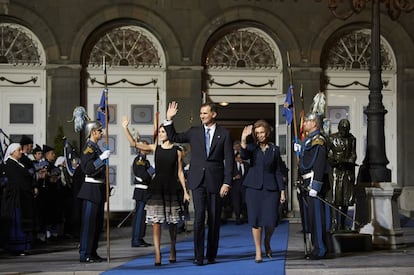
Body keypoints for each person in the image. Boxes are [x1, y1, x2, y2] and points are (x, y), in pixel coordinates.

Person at [164, 101, 234, 266]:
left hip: (216, 182)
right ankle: (199, 256)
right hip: (197, 181)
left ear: (214, 114)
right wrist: (169, 119)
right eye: (201, 113)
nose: (202, 116)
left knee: (214, 219)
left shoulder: (224, 134)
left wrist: (227, 182)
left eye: (205, 113)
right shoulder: (194, 132)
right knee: (199, 218)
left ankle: (211, 254)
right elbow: (174, 137)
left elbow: (229, 160)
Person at [122, 116, 190, 266]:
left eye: (163, 131)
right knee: (156, 222)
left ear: (169, 133)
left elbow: (179, 172)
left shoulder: (177, 151)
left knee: (172, 223)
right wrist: (125, 127)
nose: (160, 133)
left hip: (172, 187)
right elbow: (134, 144)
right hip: (157, 188)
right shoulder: (155, 147)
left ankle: (173, 248)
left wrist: (185, 190)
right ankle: (158, 253)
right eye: (159, 131)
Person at [240, 120, 286, 263]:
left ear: (267, 133)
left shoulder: (275, 149)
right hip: (254, 189)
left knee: (271, 220)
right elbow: (244, 155)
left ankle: (267, 241)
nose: (260, 135)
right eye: (257, 133)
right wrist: (243, 139)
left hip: (271, 189)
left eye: (262, 132)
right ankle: (258, 251)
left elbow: (278, 171)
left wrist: (282, 191)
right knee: (256, 220)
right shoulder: (252, 148)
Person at [295, 112, 331, 260]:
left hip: (313, 184)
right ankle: (316, 247)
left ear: (314, 123)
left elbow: (319, 164)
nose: (304, 124)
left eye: (307, 121)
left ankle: (320, 249)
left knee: (317, 218)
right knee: (310, 218)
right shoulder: (308, 141)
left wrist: (315, 186)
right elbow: (304, 164)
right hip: (305, 183)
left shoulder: (318, 140)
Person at [77, 121, 110, 263]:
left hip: (98, 189)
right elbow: (88, 168)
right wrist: (101, 158)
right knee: (89, 224)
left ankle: (93, 251)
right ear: (93, 132)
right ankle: (85, 253)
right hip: (91, 189)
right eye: (99, 131)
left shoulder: (95, 148)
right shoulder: (88, 149)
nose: (102, 133)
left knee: (97, 224)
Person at [120, 125, 153, 248]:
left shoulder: (146, 161)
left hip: (146, 190)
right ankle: (136, 239)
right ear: (141, 148)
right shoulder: (139, 160)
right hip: (141, 190)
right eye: (144, 146)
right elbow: (142, 175)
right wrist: (152, 170)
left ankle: (140, 237)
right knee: (139, 216)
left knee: (143, 216)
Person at [0, 143, 35, 256]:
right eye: (18, 150)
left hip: (22, 197)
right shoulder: (9, 164)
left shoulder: (18, 164)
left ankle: (21, 246)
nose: (21, 152)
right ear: (12, 152)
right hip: (15, 199)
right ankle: (14, 247)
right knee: (15, 222)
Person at [327, 119, 357, 231]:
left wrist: (350, 160)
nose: (344, 132)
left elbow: (353, 154)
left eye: (346, 130)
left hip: (347, 170)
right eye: (343, 129)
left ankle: (343, 223)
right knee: (335, 198)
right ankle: (334, 223)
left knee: (345, 198)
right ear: (339, 129)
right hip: (335, 171)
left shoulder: (352, 139)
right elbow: (328, 154)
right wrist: (333, 161)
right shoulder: (331, 138)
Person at [231, 152, 249, 225]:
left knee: (245, 202)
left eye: (241, 157)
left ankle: (245, 217)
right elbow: (227, 176)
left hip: (244, 187)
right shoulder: (232, 166)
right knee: (236, 203)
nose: (240, 159)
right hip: (235, 188)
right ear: (235, 159)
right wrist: (234, 178)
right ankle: (237, 219)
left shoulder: (247, 165)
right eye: (238, 157)